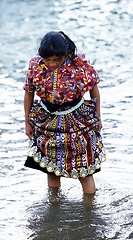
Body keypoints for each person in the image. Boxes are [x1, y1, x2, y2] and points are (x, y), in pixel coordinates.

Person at [23, 31, 106, 196]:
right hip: (47, 120)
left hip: (77, 120)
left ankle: (90, 211)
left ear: (66, 54)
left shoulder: (79, 65)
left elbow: (93, 88)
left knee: (85, 169)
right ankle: (54, 208)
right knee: (51, 168)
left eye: (57, 60)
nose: (52, 64)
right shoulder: (35, 66)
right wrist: (27, 122)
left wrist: (98, 116)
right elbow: (28, 93)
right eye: (48, 60)